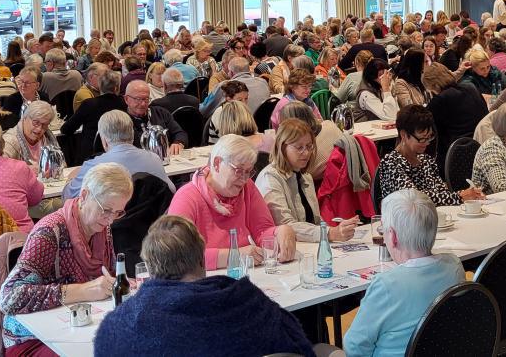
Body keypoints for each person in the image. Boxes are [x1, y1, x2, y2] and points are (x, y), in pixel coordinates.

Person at [94, 215, 315, 357]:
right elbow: (299, 347)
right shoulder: (249, 303)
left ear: (150, 268)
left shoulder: (118, 327)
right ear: (201, 259)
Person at [0, 163, 134, 355]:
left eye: (118, 212)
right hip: (33, 337)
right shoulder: (50, 232)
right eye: (106, 209)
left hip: (79, 326)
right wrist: (82, 291)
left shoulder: (102, 229)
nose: (110, 219)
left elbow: (109, 278)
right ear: (85, 195)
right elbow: (9, 297)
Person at [343, 188, 465, 357]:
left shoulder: (386, 285)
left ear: (393, 237)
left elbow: (354, 347)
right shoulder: (454, 266)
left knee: (320, 348)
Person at [167, 134, 297, 269]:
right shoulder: (187, 197)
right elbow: (178, 256)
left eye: (248, 172)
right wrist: (234, 255)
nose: (244, 179)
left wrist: (280, 232)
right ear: (217, 164)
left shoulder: (247, 188)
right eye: (238, 171)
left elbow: (262, 231)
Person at [255, 118, 358, 242]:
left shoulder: (305, 176)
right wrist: (330, 233)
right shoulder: (270, 178)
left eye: (309, 146)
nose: (306, 153)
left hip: (308, 246)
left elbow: (315, 221)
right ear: (282, 147)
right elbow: (286, 226)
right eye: (299, 147)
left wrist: (338, 228)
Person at [377, 105, 485, 207]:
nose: (427, 143)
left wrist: (468, 194)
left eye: (429, 137)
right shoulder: (390, 163)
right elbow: (415, 199)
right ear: (404, 135)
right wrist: (460, 197)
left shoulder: (425, 160)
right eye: (422, 138)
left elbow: (442, 193)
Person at [63, 110, 174, 199]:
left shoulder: (93, 166)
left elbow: (68, 197)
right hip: (151, 221)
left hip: (112, 224)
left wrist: (70, 179)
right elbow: (171, 189)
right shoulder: (153, 158)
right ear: (133, 135)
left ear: (104, 141)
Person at [422, 63, 488, 176]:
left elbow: (428, 129)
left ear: (433, 85)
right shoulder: (471, 88)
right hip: (482, 145)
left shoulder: (439, 100)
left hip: (455, 155)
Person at [60, 68, 127, 162]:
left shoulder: (89, 104)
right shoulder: (124, 103)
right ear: (117, 87)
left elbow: (66, 129)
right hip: (119, 154)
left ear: (100, 85)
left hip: (90, 155)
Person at [199, 57, 271, 116]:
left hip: (237, 127)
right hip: (263, 127)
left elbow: (204, 110)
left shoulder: (225, 86)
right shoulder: (262, 82)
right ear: (249, 70)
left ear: (231, 73)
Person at [3, 100, 59, 172]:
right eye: (36, 123)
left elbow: (61, 164)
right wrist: (24, 169)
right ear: (24, 118)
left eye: (44, 125)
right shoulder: (9, 141)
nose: (39, 129)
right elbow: (1, 168)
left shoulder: (48, 137)